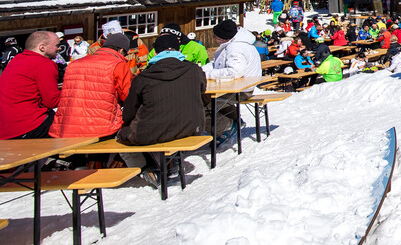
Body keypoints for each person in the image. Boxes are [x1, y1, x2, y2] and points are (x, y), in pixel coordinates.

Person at [117, 34, 206, 185]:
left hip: (152, 132)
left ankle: (147, 169)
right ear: (179, 50)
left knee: (120, 138)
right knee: (167, 126)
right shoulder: (194, 70)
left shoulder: (143, 77)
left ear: (156, 52)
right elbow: (202, 90)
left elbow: (129, 112)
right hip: (191, 127)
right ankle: (172, 163)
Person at [49, 32, 133, 139]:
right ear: (121, 50)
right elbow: (128, 96)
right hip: (101, 127)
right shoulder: (117, 64)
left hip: (67, 126)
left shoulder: (74, 64)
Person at [0, 31, 62, 140]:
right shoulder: (44, 64)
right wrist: (74, 92)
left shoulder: (16, 60)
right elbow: (52, 101)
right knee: (71, 123)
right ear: (42, 47)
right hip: (24, 129)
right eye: (57, 45)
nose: (59, 48)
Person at [203, 20, 262, 145]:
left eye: (215, 36)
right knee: (207, 99)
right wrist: (199, 71)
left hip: (241, 90)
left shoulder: (236, 48)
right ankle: (234, 119)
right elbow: (216, 64)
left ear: (223, 38)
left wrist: (207, 75)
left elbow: (234, 71)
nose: (213, 38)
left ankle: (224, 128)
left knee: (203, 104)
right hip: (241, 87)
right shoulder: (234, 45)